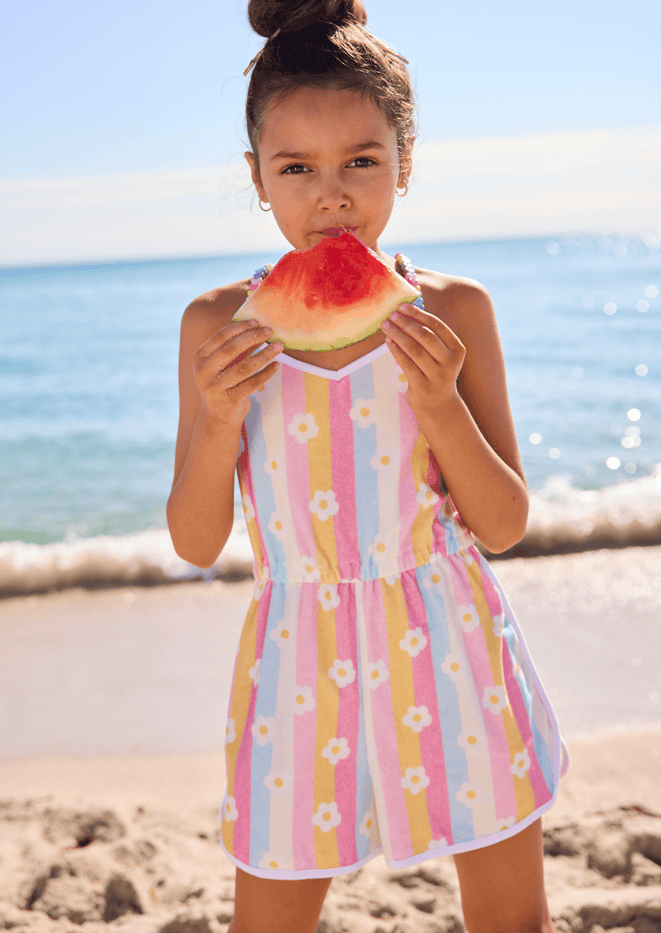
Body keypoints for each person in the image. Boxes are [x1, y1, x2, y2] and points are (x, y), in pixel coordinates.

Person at [167, 1, 568, 930]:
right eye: (295, 168)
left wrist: (439, 402)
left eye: (362, 161)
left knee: (513, 918)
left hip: (454, 637)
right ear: (257, 179)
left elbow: (505, 525)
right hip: (296, 652)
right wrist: (220, 414)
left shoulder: (456, 310)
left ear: (406, 162)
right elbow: (194, 540)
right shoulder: (214, 327)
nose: (332, 194)